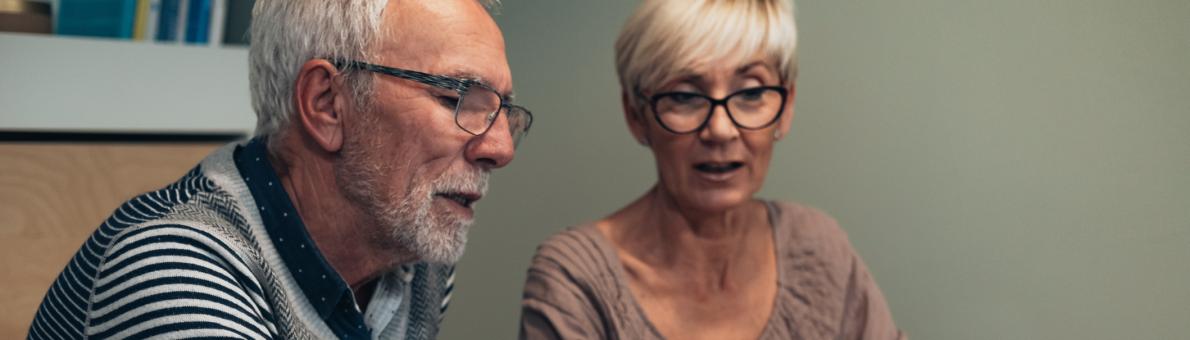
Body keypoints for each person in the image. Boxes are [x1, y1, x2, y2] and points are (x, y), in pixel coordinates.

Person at [28, 0, 532, 339]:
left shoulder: (417, 259)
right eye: (457, 98)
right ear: (326, 104)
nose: (502, 148)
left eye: (503, 109)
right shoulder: (176, 269)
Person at [519, 0, 902, 339]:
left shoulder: (818, 249)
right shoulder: (577, 280)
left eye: (751, 93)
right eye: (685, 96)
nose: (720, 130)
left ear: (785, 109)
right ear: (636, 115)